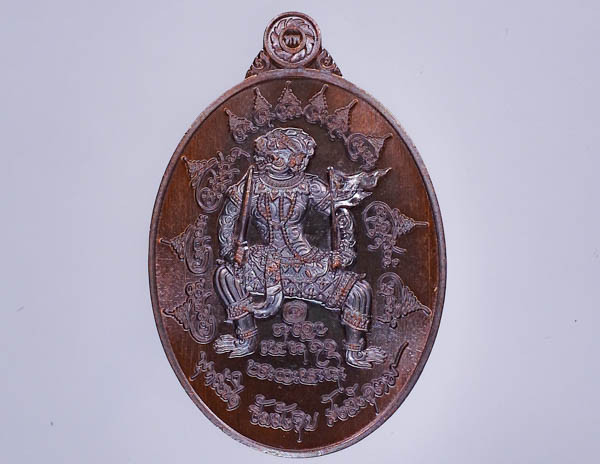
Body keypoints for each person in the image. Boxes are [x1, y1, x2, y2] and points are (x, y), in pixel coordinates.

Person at [213, 127, 386, 368]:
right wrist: (231, 251)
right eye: (271, 152)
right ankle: (246, 338)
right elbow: (228, 220)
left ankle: (354, 353)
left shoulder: (309, 186)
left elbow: (339, 215)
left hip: (306, 265)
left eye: (282, 153)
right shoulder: (252, 185)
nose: (274, 158)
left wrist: (345, 251)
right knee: (224, 274)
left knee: (359, 291)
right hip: (263, 265)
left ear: (297, 159)